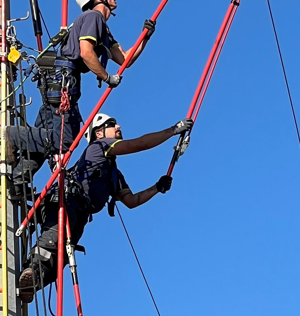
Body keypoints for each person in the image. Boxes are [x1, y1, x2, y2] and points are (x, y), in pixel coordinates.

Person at [18, 113, 194, 303]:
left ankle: (31, 283)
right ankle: (31, 270)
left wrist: (157, 188)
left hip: (80, 213)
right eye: (112, 125)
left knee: (60, 261)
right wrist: (172, 131)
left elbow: (131, 201)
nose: (118, 127)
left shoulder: (114, 174)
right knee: (51, 242)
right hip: (66, 201)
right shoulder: (98, 147)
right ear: (98, 134)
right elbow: (138, 144)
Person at [7, 0, 156, 197]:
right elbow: (86, 52)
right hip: (64, 85)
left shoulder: (101, 27)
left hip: (62, 85)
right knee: (62, 140)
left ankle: (19, 180)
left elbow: (124, 58)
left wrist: (145, 38)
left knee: (46, 138)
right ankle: (12, 135)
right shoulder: (93, 17)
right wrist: (107, 77)